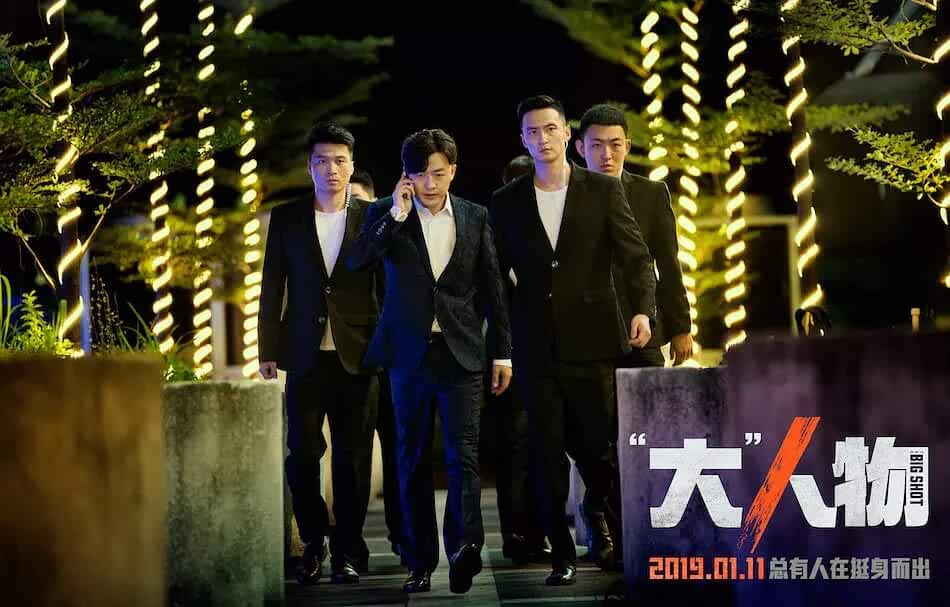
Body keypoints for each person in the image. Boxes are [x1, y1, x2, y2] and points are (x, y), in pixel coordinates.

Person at [489, 95, 656, 586]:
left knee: (599, 451)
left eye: (550, 129)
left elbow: (636, 256)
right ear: (523, 140)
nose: (542, 138)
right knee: (545, 453)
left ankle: (605, 520)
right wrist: (504, 342)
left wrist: (643, 309)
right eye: (532, 131)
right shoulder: (507, 201)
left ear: (567, 134)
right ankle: (561, 554)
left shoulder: (602, 189)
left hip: (594, 339)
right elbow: (496, 276)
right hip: (535, 344)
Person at [345, 128, 512, 595]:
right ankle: (420, 561)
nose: (430, 183)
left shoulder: (475, 216)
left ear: (452, 171)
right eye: (420, 175)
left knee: (464, 455)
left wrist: (503, 352)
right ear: (407, 176)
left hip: (462, 354)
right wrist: (397, 213)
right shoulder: (386, 213)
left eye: (438, 173)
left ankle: (465, 548)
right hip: (408, 356)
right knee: (412, 457)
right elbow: (359, 261)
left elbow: (493, 288)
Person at [258, 123, 381, 585]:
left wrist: (384, 346)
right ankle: (314, 540)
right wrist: (267, 347)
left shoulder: (372, 216)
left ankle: (347, 548)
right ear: (309, 166)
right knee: (302, 456)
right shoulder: (288, 218)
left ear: (352, 165)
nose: (332, 169)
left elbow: (384, 285)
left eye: (340, 161)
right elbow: (273, 285)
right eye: (322, 161)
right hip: (305, 354)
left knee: (353, 459)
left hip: (359, 355)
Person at [576, 104, 692, 367]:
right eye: (596, 145)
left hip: (642, 328)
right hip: (586, 335)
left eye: (615, 144)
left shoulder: (651, 194)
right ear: (581, 148)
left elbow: (668, 263)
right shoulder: (569, 195)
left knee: (647, 393)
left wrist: (680, 327)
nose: (607, 154)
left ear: (627, 146)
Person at [348, 168, 406, 562]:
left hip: (393, 360)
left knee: (399, 450)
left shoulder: (391, 231)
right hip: (353, 361)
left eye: (360, 202)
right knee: (354, 454)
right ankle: (351, 544)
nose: (354, 210)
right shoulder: (341, 244)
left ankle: (402, 535)